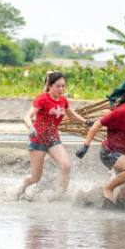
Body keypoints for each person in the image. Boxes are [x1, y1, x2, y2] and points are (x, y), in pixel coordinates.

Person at [75, 80, 125, 207]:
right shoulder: (121, 112)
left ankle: (104, 205)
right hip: (109, 152)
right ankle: (107, 188)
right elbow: (97, 124)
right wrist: (85, 146)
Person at [17, 71, 89, 201]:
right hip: (38, 139)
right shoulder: (42, 98)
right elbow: (27, 117)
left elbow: (71, 115)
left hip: (53, 138)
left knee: (66, 166)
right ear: (50, 86)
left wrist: (86, 122)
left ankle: (58, 196)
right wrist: (31, 127)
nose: (61, 89)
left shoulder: (63, 100)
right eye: (58, 86)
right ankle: (21, 188)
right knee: (35, 178)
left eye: (63, 86)